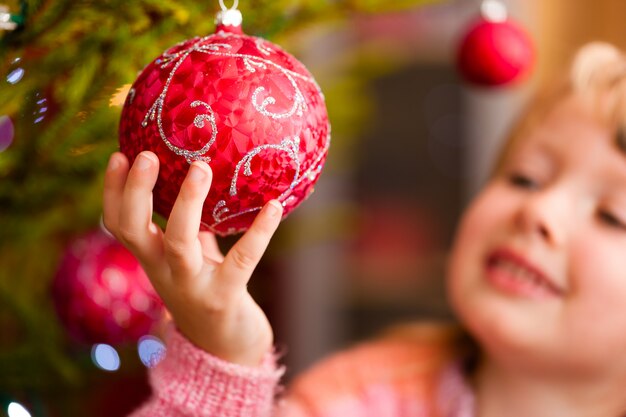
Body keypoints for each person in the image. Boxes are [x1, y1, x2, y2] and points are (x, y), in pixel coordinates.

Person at [103, 42, 626, 417]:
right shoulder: (355, 398)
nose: (540, 212)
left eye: (611, 215)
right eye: (525, 177)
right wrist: (223, 363)